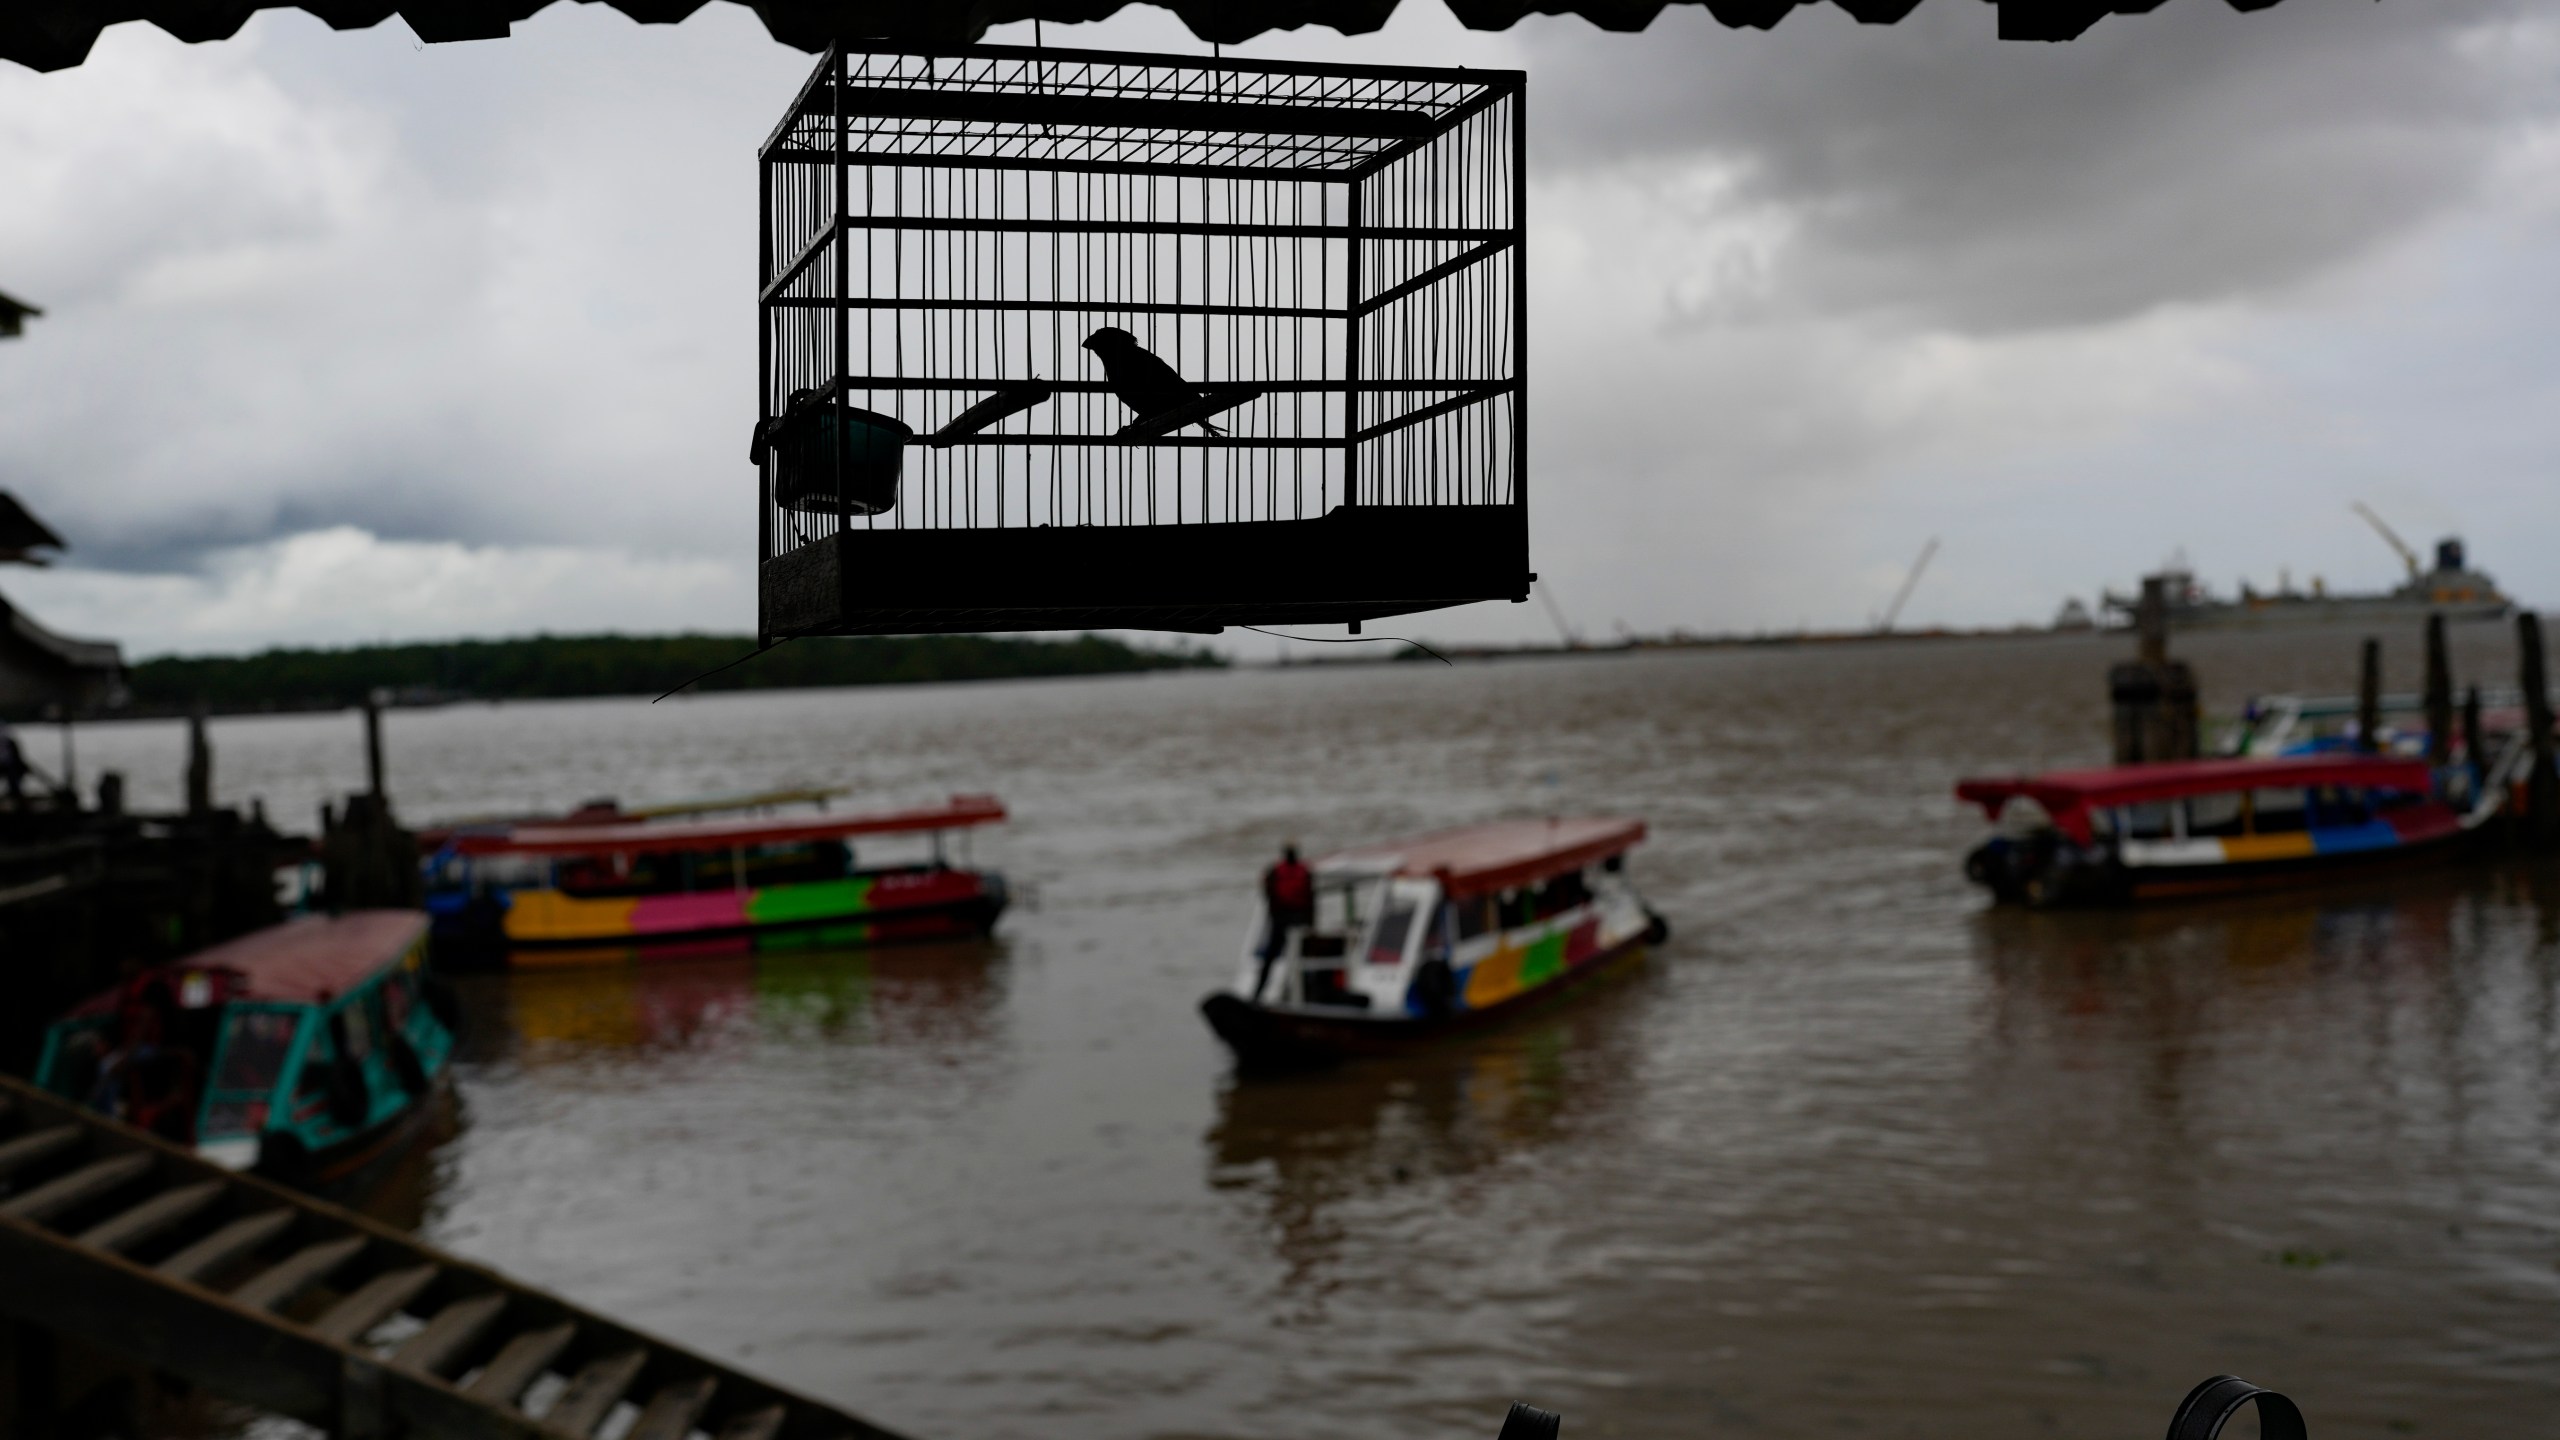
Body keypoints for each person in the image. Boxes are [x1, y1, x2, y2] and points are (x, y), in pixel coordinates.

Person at [1254, 843, 1315, 1001]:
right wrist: (1310, 924)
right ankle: (1303, 990)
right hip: (1299, 919)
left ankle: (1258, 992)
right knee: (1300, 956)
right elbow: (1311, 899)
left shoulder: (1274, 870)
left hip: (1280, 920)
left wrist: (1273, 916)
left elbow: (1268, 895)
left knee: (1271, 957)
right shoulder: (1305, 871)